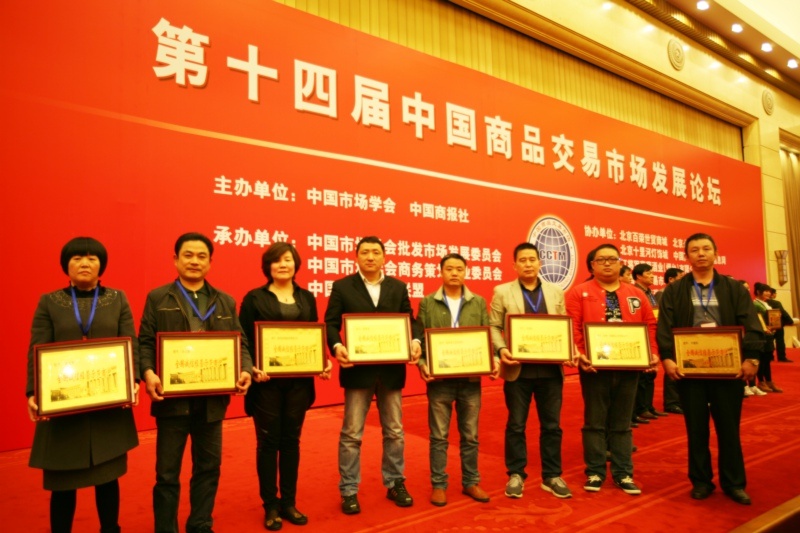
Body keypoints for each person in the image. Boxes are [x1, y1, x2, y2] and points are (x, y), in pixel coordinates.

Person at [139, 232, 253, 533]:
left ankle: (200, 524)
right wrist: (148, 373)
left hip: (211, 403)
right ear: (175, 259)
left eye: (201, 256)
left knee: (208, 468)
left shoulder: (224, 301)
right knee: (167, 474)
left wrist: (245, 369)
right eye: (187, 255)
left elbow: (239, 343)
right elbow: (145, 342)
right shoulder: (158, 298)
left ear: (210, 262)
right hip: (172, 403)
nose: (194, 261)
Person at [26, 237, 139, 533]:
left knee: (108, 477)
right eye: (76, 258)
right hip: (64, 406)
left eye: (91, 258)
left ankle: (110, 528)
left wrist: (133, 381)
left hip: (108, 403)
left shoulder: (118, 299)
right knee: (63, 482)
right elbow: (36, 349)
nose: (84, 264)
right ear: (66, 265)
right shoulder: (50, 301)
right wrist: (33, 392)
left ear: (101, 265)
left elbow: (131, 343)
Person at [657, 233, 764, 505]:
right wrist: (667, 358)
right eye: (694, 250)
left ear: (716, 253)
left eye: (706, 249)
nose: (701, 254)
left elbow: (752, 324)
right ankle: (701, 481)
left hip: (727, 368)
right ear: (686, 256)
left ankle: (734, 483)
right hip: (689, 369)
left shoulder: (733, 288)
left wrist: (752, 358)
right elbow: (665, 327)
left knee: (729, 428)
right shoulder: (675, 291)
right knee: (696, 429)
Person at [324, 236, 423, 515]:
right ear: (356, 257)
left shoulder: (398, 287)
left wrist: (416, 341)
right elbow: (330, 323)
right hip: (358, 372)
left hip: (391, 371)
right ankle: (349, 489)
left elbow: (410, 321)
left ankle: (395, 482)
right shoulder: (343, 286)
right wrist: (337, 346)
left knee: (395, 432)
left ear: (384, 258)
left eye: (376, 252)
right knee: (352, 434)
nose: (370, 257)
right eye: (365, 252)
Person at [238, 242, 332, 530]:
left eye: (288, 259)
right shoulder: (254, 298)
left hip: (298, 384)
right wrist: (250, 367)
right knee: (268, 442)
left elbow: (312, 336)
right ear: (268, 266)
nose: (283, 265)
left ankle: (289, 502)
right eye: (276, 261)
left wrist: (322, 362)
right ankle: (270, 504)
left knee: (291, 441)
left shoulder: (307, 297)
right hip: (265, 384)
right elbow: (243, 339)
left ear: (296, 264)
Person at [566, 244, 659, 496]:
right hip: (594, 368)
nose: (607, 263)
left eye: (612, 259)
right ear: (592, 266)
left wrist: (652, 352)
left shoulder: (636, 294)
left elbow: (650, 325)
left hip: (629, 367)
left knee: (622, 423)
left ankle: (623, 473)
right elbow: (573, 327)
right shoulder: (579, 293)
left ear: (620, 263)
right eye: (601, 260)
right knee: (594, 423)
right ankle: (595, 471)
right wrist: (581, 354)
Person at [489, 242, 573, 500]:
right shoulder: (502, 291)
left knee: (552, 425)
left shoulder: (555, 292)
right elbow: (493, 326)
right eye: (522, 260)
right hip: (518, 370)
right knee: (516, 424)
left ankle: (552, 475)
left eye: (532, 259)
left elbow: (563, 326)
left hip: (550, 371)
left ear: (540, 263)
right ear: (514, 265)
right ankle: (516, 474)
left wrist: (570, 350)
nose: (528, 264)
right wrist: (502, 348)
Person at [417, 253, 498, 507]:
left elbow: (486, 336)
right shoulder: (428, 302)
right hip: (439, 380)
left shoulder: (478, 302)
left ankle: (471, 481)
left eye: (459, 269)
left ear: (466, 272)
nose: (454, 273)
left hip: (470, 379)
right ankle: (439, 485)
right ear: (441, 272)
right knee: (438, 436)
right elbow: (420, 337)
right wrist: (422, 364)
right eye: (449, 269)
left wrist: (493, 359)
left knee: (470, 435)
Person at [632, 263, 666, 423]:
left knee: (651, 374)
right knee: (642, 377)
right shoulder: (635, 292)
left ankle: (648, 406)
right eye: (648, 273)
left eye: (652, 273)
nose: (652, 275)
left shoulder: (649, 293)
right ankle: (640, 408)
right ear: (638, 276)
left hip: (652, 333)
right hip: (641, 335)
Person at [658, 268, 684, 413]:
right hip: (670, 335)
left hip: (683, 337)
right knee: (672, 370)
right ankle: (672, 402)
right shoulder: (664, 293)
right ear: (671, 279)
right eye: (680, 277)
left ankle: (679, 400)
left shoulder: (682, 293)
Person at [752, 283, 780, 393]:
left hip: (769, 334)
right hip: (762, 335)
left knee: (768, 359)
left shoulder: (766, 303)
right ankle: (761, 382)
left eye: (769, 291)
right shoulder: (755, 304)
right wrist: (765, 327)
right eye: (766, 291)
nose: (768, 293)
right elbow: (757, 319)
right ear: (758, 292)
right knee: (762, 359)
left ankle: (769, 381)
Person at [767, 287, 797, 362]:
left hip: (766, 325)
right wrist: (790, 321)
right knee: (780, 341)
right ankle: (781, 357)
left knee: (769, 341)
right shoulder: (776, 303)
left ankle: (770, 356)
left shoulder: (762, 303)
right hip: (777, 324)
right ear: (772, 294)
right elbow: (783, 312)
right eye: (775, 293)